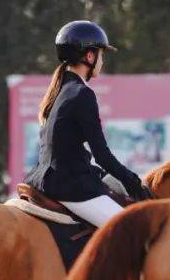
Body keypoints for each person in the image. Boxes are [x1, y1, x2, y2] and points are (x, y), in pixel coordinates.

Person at [23, 20, 151, 227]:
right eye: (101, 54)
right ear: (89, 56)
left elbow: (65, 150)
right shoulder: (82, 94)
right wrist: (133, 182)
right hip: (69, 187)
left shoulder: (58, 92)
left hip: (43, 179)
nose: (102, 61)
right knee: (134, 230)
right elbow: (102, 155)